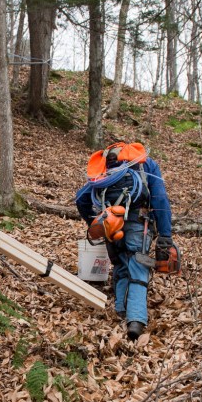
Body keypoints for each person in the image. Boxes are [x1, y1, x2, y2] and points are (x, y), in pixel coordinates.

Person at [75, 142, 174, 340]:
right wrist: (165, 234)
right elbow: (160, 199)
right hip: (139, 222)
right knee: (138, 267)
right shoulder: (145, 164)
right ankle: (135, 321)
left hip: (111, 222)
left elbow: (81, 199)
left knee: (120, 264)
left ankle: (120, 309)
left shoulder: (105, 169)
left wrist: (95, 223)